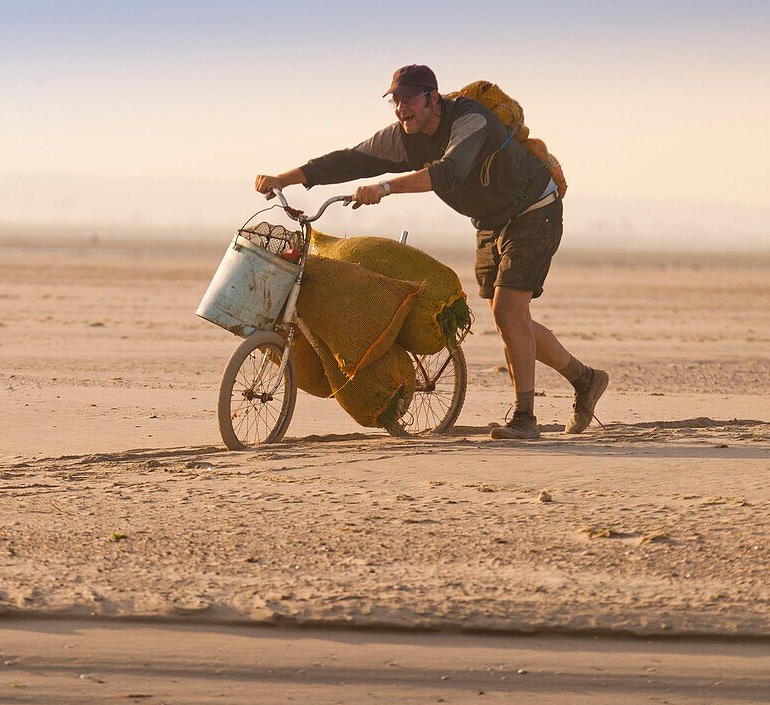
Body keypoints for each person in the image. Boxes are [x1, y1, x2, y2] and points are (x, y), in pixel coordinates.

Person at [255, 64, 607, 439]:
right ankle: (585, 379)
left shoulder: (471, 120)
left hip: (534, 210)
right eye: (395, 100)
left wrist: (386, 189)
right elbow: (349, 159)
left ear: (432, 98)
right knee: (510, 319)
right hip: (490, 221)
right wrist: (284, 179)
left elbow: (449, 172)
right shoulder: (405, 137)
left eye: (409, 99)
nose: (400, 108)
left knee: (509, 312)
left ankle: (525, 419)